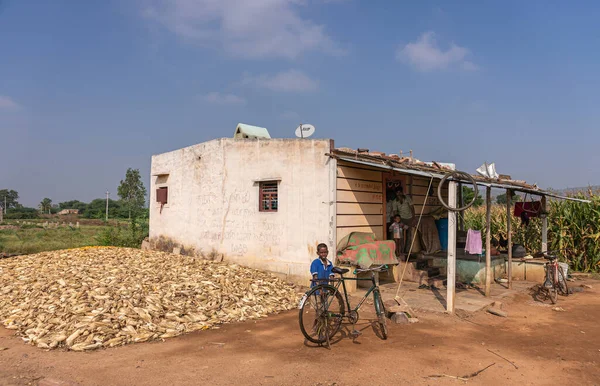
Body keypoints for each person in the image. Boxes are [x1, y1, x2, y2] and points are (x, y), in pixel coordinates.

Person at [396, 188, 415, 253]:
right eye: (397, 193)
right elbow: (395, 212)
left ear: (402, 193)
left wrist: (413, 218)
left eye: (399, 192)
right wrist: (398, 221)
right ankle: (401, 251)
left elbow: (412, 207)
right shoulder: (395, 201)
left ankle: (407, 251)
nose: (398, 194)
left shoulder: (407, 198)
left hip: (409, 218)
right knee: (401, 236)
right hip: (401, 220)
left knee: (409, 235)